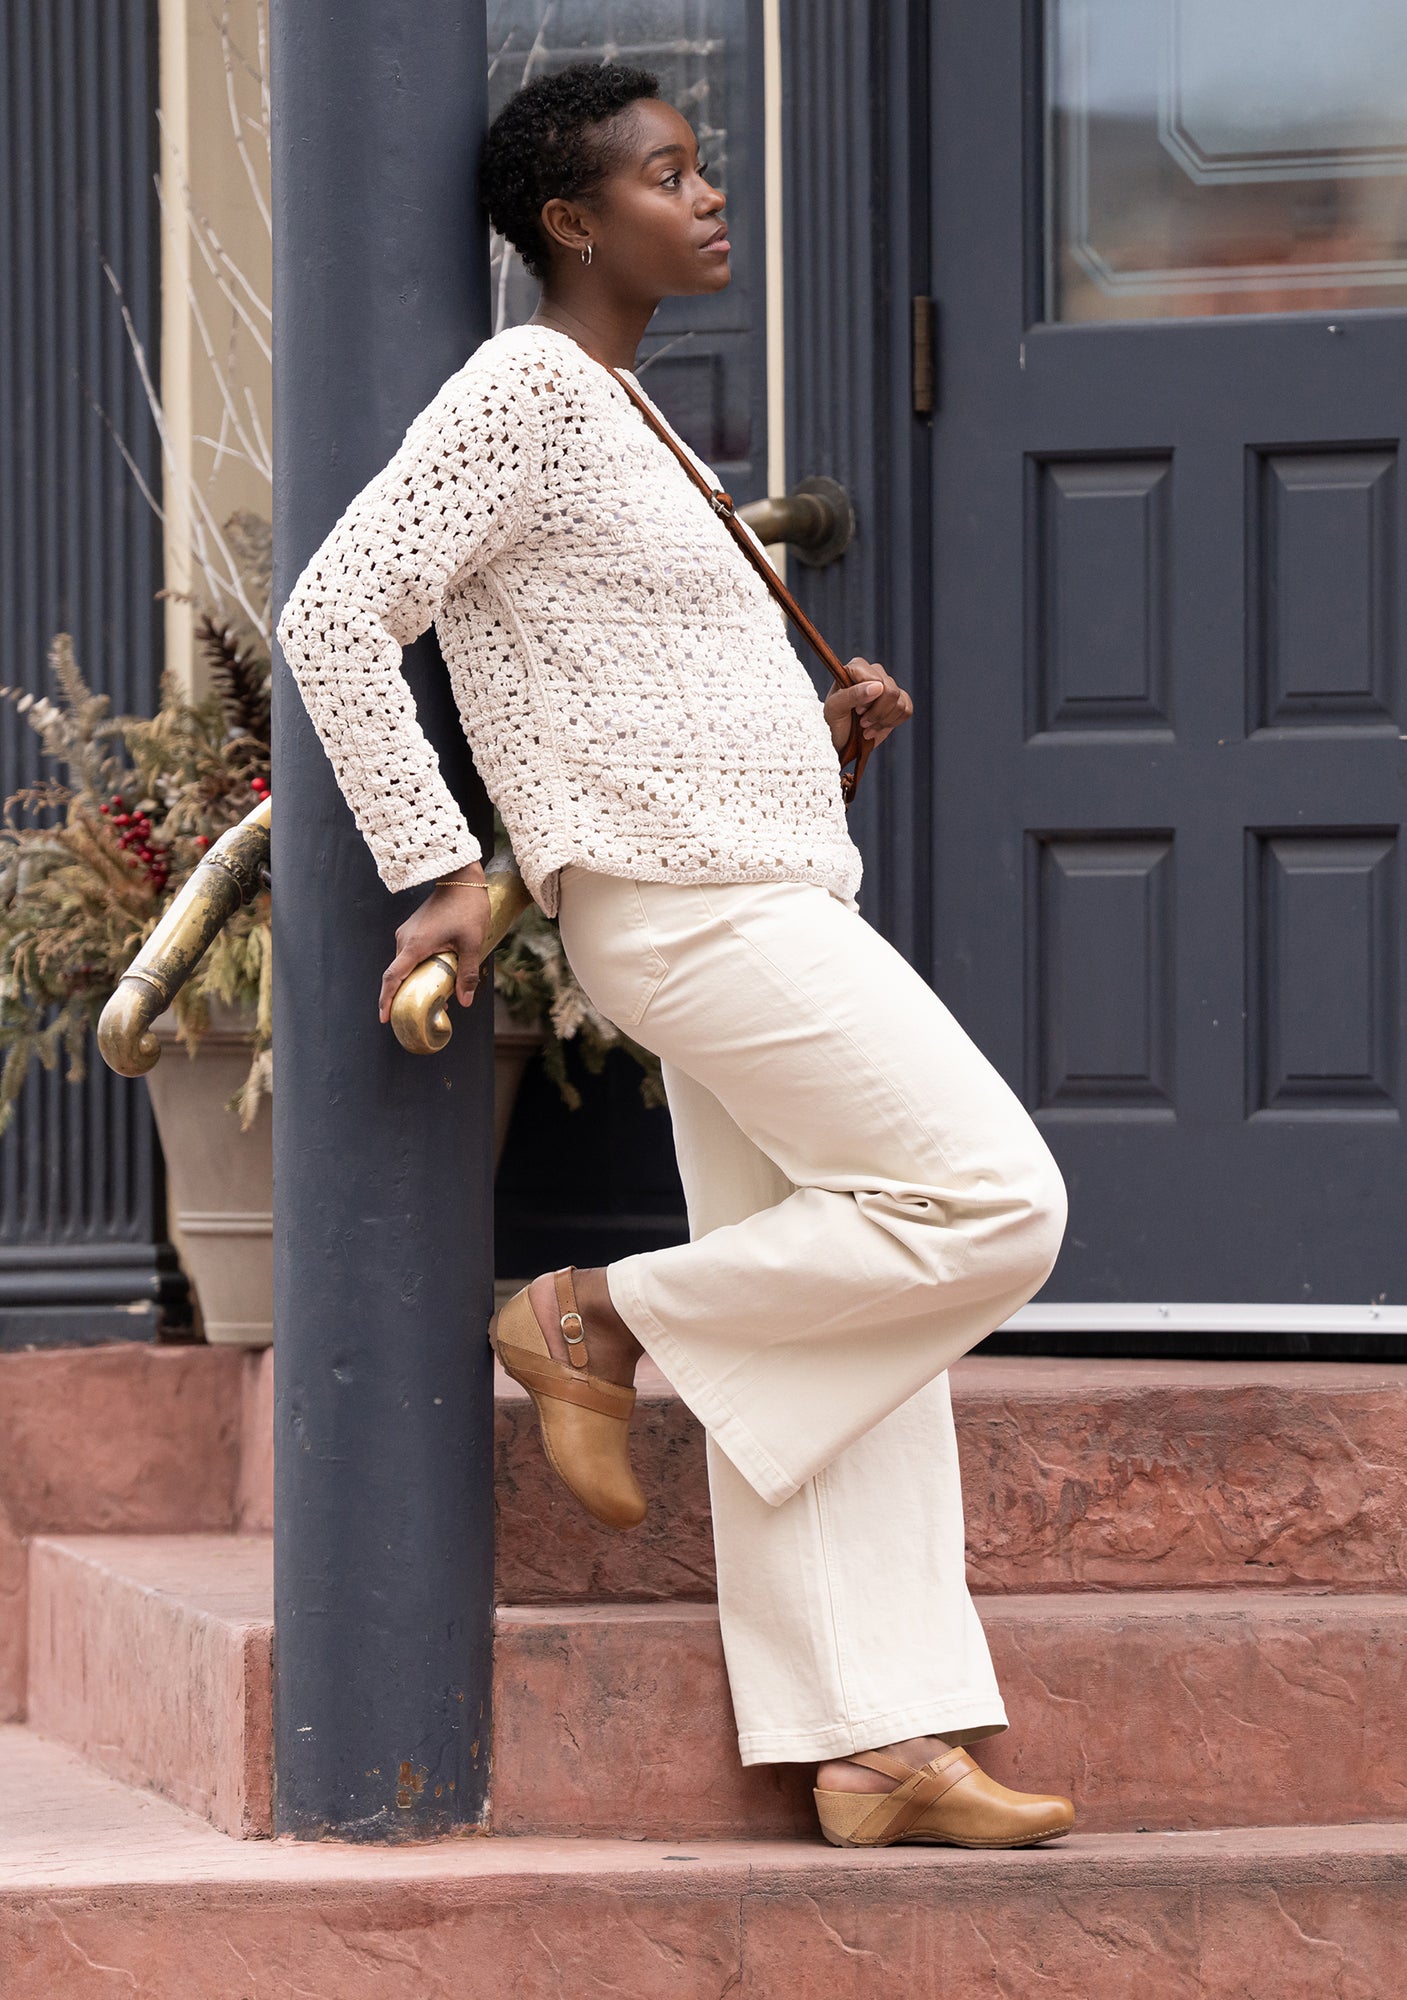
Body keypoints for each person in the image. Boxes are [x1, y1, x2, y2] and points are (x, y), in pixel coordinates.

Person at [276, 60, 1073, 1851]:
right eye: (667, 173)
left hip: (749, 879)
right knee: (989, 1204)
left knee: (854, 1313)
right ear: (572, 220)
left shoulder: (635, 411)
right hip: (693, 911)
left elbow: (617, 675)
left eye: (704, 169)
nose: (707, 198)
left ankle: (872, 1740)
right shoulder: (526, 389)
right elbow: (337, 608)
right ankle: (587, 1317)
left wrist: (819, 732)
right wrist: (438, 866)